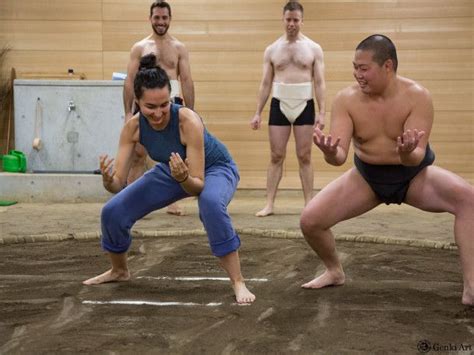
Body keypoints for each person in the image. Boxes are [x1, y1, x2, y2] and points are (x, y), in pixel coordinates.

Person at [300, 34, 474, 306]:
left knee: (468, 199)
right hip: (367, 178)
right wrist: (330, 151)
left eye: (364, 68)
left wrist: (406, 153)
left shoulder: (417, 96)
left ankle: (472, 286)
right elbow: (340, 156)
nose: (357, 74)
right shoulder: (346, 100)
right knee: (310, 220)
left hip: (414, 175)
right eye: (355, 67)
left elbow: (416, 158)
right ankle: (334, 270)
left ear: (388, 66)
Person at [83, 54, 255, 304]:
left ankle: (238, 282)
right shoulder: (133, 128)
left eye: (164, 104)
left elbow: (197, 184)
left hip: (215, 169)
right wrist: (108, 180)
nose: (158, 113)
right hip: (173, 169)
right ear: (138, 104)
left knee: (209, 203)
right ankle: (119, 270)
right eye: (150, 107)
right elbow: (117, 184)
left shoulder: (188, 121)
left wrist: (183, 177)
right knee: (112, 210)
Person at [250, 1, 326, 217]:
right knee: (276, 155)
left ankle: (309, 204)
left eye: (296, 20)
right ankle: (269, 204)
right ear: (282, 20)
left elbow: (320, 83)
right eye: (288, 20)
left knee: (305, 155)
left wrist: (322, 112)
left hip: (305, 103)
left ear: (302, 20)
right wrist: (257, 112)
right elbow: (265, 83)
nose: (292, 24)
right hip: (279, 104)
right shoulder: (272, 49)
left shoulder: (314, 48)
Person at [123, 0, 195, 215]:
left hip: (172, 102)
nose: (161, 21)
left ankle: (171, 202)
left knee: (174, 156)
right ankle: (131, 201)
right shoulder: (140, 47)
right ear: (150, 19)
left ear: (170, 19)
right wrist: (128, 112)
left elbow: (187, 80)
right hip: (145, 103)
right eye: (157, 17)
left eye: (164, 17)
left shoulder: (179, 48)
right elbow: (129, 81)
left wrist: (191, 112)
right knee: (137, 154)